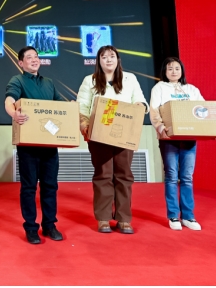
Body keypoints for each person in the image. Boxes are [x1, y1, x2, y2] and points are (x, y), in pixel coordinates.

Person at [76, 45, 149, 234]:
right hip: (99, 136)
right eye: (104, 57)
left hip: (125, 135)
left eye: (112, 56)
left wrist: (139, 106)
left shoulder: (130, 79)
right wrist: (84, 125)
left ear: (118, 60)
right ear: (98, 61)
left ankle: (124, 219)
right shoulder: (90, 80)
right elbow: (81, 107)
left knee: (124, 175)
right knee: (103, 175)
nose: (108, 60)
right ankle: (103, 218)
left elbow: (141, 101)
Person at [5, 45, 65, 243]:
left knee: (50, 186)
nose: (34, 59)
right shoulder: (17, 80)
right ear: (21, 63)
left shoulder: (48, 83)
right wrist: (14, 114)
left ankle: (49, 225)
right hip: (28, 146)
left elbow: (60, 107)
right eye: (29, 57)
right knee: (29, 187)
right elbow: (9, 100)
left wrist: (70, 108)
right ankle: (31, 227)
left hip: (49, 145)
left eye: (36, 56)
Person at [148, 56, 204, 230]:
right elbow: (154, 110)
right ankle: (173, 216)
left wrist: (209, 129)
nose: (174, 72)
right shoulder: (159, 88)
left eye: (177, 68)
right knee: (172, 176)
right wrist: (160, 127)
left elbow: (203, 110)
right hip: (168, 139)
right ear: (165, 71)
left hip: (189, 138)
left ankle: (188, 216)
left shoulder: (191, 89)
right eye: (170, 68)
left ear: (182, 71)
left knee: (187, 177)